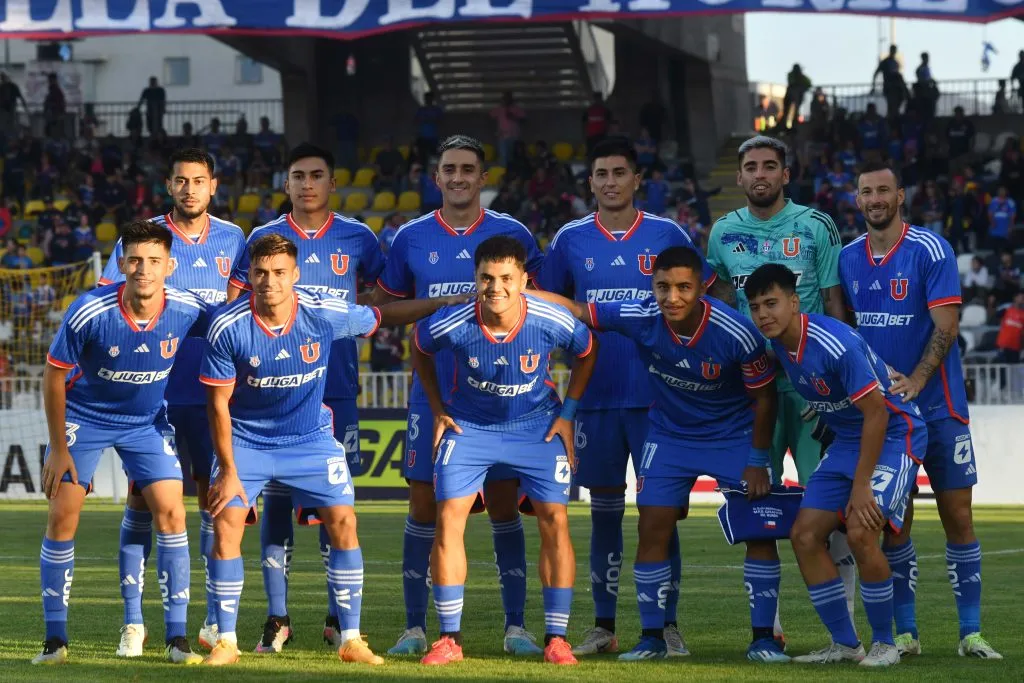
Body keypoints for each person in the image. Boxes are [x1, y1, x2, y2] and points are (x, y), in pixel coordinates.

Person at [200, 233, 468, 666]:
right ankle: (226, 641)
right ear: (249, 276)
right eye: (261, 273)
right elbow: (217, 405)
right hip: (248, 440)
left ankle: (351, 638)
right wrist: (228, 469)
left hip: (310, 439)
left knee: (343, 520)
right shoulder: (227, 325)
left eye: (279, 272)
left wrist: (440, 303)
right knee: (227, 524)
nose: (269, 281)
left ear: (295, 274)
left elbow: (383, 315)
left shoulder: (324, 312)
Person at [535, 246, 789, 662]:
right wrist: (519, 294)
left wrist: (759, 459)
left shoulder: (737, 332)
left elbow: (765, 398)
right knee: (652, 524)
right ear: (652, 287)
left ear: (701, 288)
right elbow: (579, 309)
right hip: (670, 435)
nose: (672, 297)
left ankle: (763, 638)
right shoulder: (639, 316)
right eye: (663, 287)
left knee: (756, 528)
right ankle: (652, 637)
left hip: (731, 434)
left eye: (684, 287)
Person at [535, 138, 721, 657]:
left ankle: (666, 625)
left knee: (660, 515)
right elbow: (546, 305)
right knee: (604, 516)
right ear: (590, 182)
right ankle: (603, 625)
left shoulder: (667, 234)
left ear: (637, 179)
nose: (611, 182)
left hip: (660, 400)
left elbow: (702, 300)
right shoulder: (570, 239)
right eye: (602, 173)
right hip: (595, 398)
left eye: (620, 172)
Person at [368, 134, 544, 657]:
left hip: (502, 396)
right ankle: (415, 628)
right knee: (425, 504)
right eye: (450, 169)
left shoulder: (512, 232)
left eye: (469, 169)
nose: (459, 177)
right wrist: (441, 304)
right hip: (434, 394)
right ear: (436, 177)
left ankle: (516, 627)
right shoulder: (411, 237)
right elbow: (385, 311)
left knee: (504, 504)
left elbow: (536, 302)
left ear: (483, 177)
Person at [841, 161, 1003, 659]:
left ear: (900, 196)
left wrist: (916, 380)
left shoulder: (931, 249)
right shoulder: (847, 258)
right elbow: (845, 336)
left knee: (958, 516)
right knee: (896, 523)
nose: (875, 199)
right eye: (866, 192)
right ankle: (907, 633)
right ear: (857, 199)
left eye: (883, 190)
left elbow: (947, 325)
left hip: (939, 407)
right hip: (888, 419)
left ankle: (970, 633)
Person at [410, 236, 598, 666]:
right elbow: (419, 346)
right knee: (449, 517)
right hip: (470, 428)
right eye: (487, 278)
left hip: (536, 428)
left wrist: (568, 413)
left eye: (507, 278)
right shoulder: (453, 321)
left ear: (524, 280)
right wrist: (437, 409)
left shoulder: (550, 318)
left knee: (555, 520)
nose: (496, 287)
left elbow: (589, 351)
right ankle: (449, 639)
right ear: (475, 278)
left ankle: (556, 638)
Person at [226, 143, 384, 652]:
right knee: (275, 501)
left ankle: (339, 618)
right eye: (299, 176)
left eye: (317, 175)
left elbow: (380, 298)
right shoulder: (263, 238)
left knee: (333, 504)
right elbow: (236, 300)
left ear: (332, 183)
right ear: (286, 183)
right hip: (273, 390)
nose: (308, 184)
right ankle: (278, 617)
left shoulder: (358, 237)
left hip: (336, 385)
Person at [33, 220, 210, 666]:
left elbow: (235, 325)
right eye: (134, 260)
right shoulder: (89, 310)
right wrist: (58, 447)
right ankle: (55, 640)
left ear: (169, 266)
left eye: (153, 261)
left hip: (146, 424)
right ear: (122, 264)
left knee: (172, 512)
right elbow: (53, 375)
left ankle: (176, 638)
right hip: (85, 419)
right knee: (62, 515)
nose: (143, 269)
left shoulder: (188, 307)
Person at [705, 135, 857, 634]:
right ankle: (767, 631)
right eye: (751, 167)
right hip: (752, 391)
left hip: (813, 391)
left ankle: (845, 629)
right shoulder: (723, 232)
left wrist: (841, 383)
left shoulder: (816, 225)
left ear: (785, 174)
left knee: (830, 508)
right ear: (740, 177)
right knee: (758, 507)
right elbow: (718, 307)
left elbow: (834, 303)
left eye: (770, 165)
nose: (761, 174)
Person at [98, 148, 247, 655]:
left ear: (213, 186)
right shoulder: (143, 239)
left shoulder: (234, 238)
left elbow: (241, 312)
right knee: (144, 499)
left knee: (212, 499)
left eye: (198, 180)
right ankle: (134, 622)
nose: (190, 189)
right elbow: (108, 303)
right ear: (168, 185)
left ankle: (210, 619)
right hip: (154, 388)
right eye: (181, 180)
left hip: (211, 390)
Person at [744, 263, 926, 668]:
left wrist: (861, 486)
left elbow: (877, 413)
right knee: (804, 535)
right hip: (848, 439)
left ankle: (885, 644)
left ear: (795, 302)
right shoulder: (778, 344)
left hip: (895, 435)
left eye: (771, 303)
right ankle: (846, 644)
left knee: (861, 531)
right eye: (755, 307)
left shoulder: (834, 343)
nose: (763, 314)